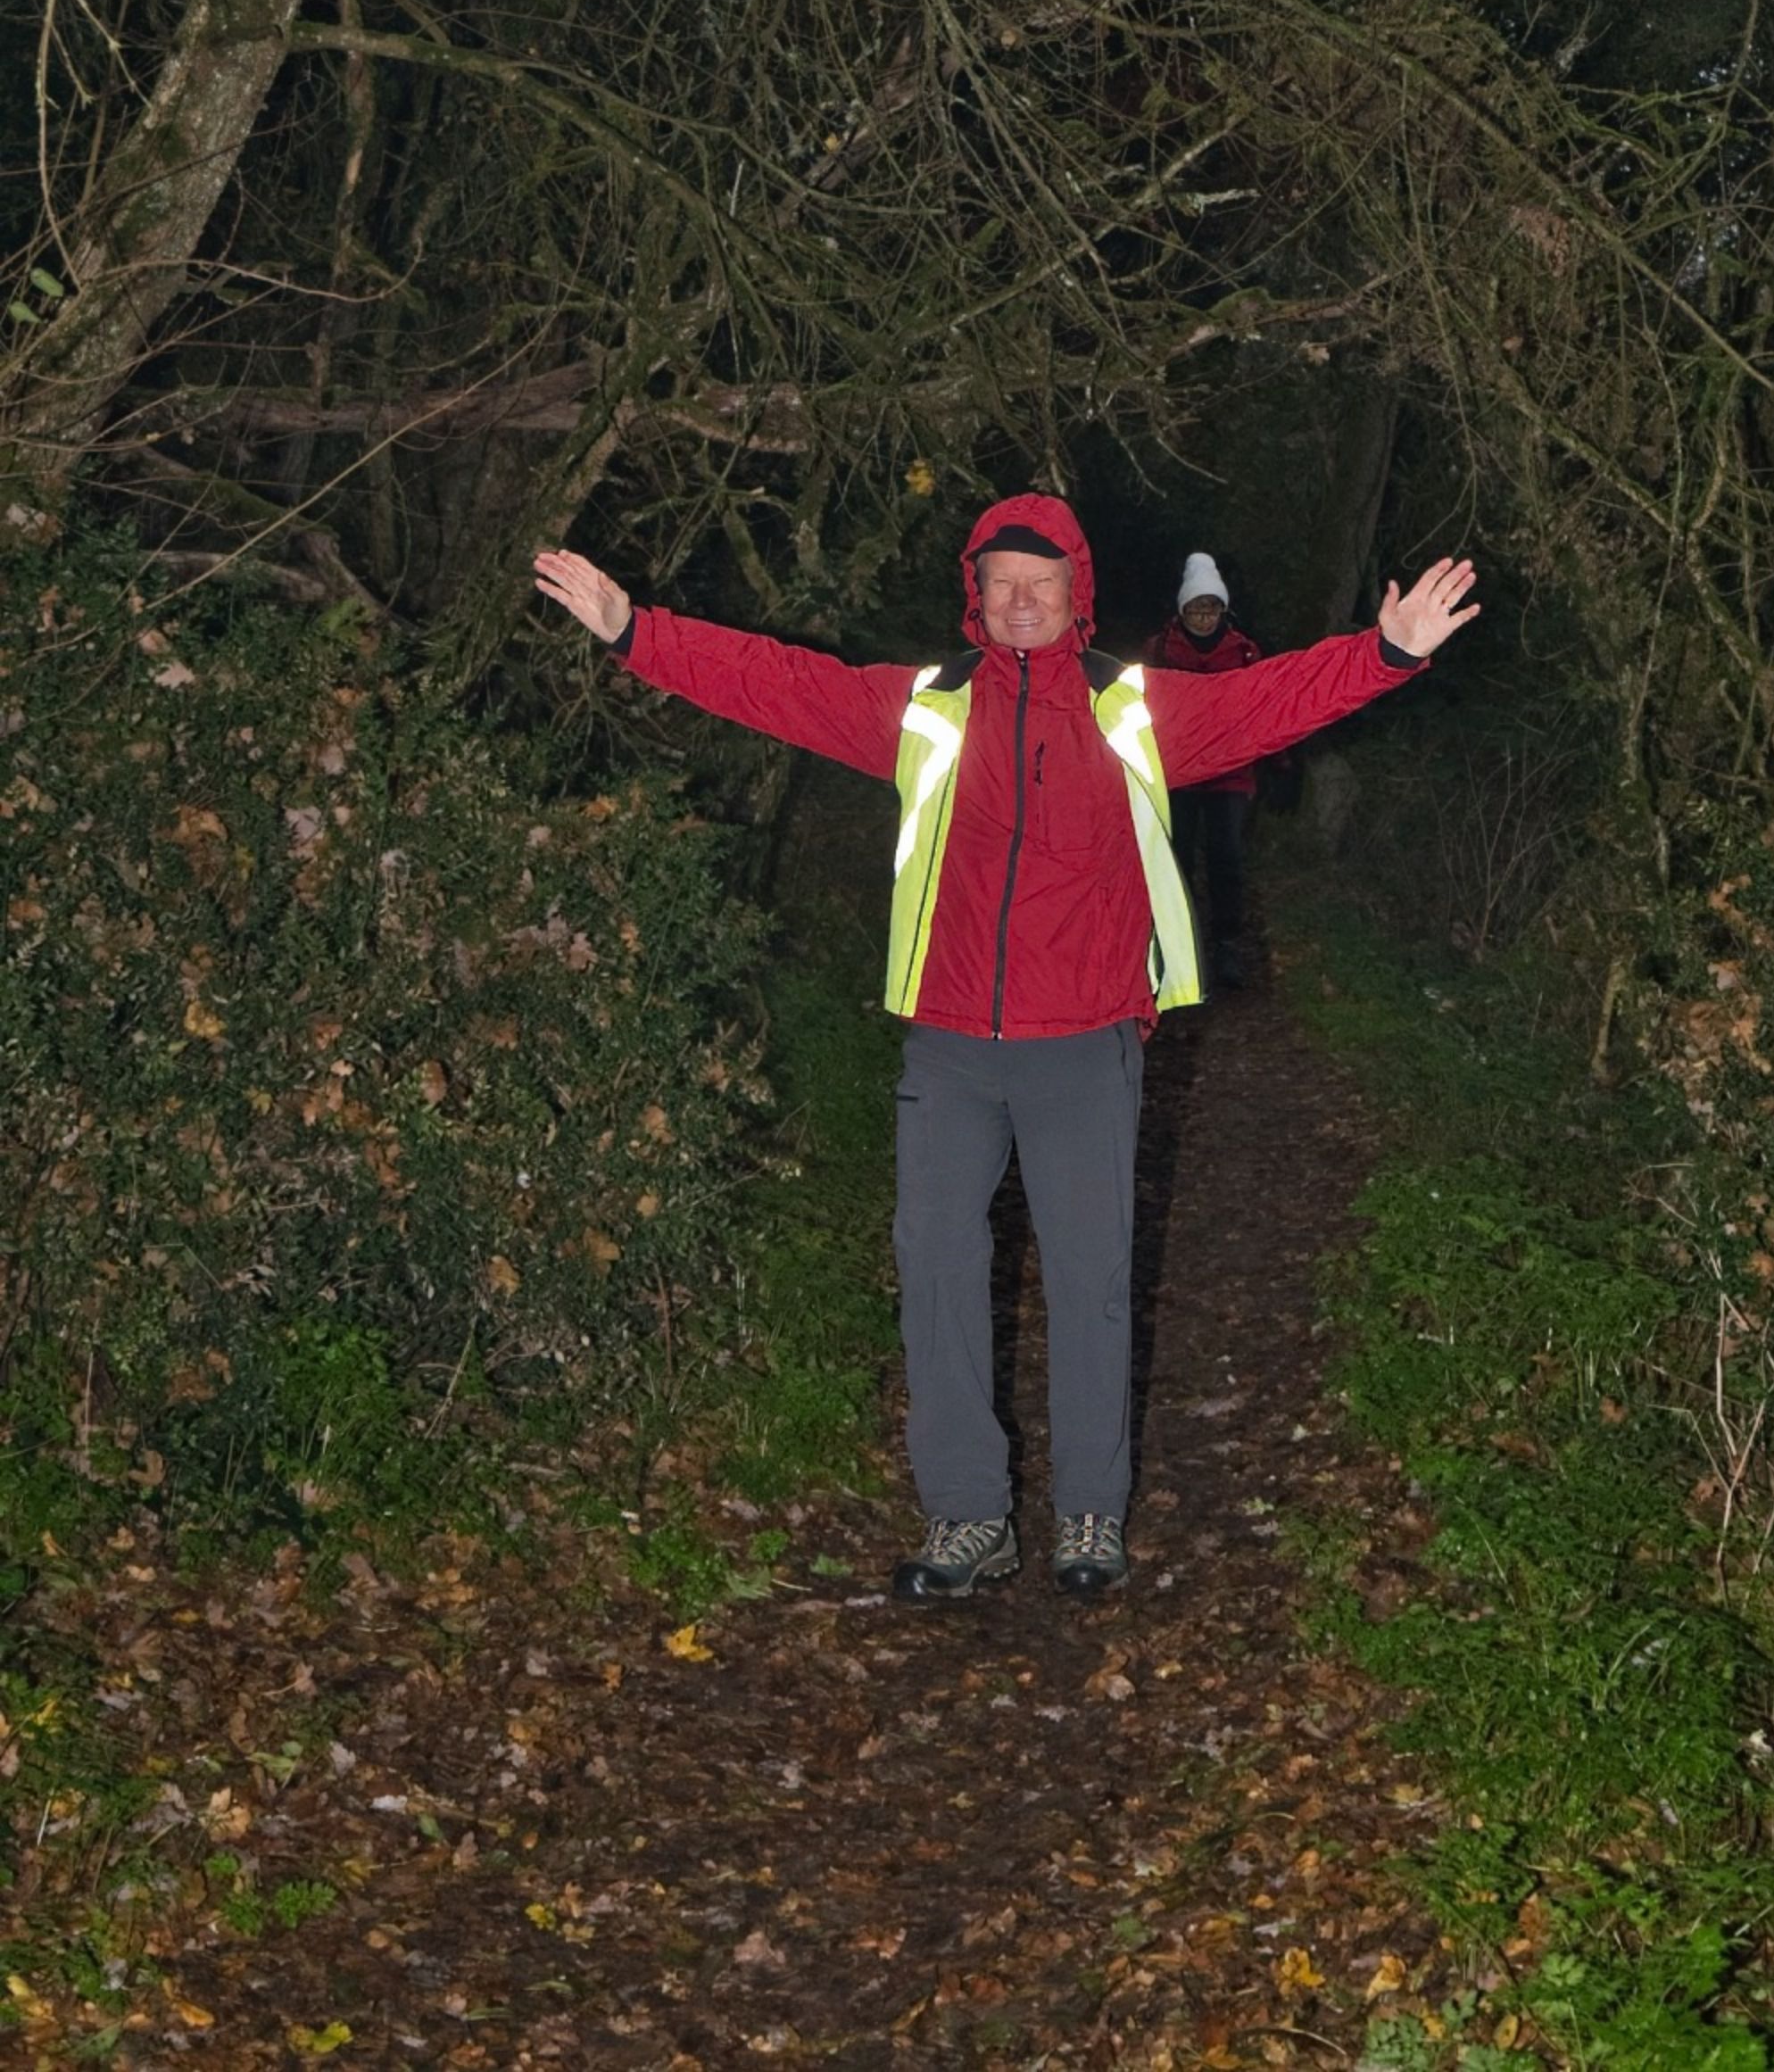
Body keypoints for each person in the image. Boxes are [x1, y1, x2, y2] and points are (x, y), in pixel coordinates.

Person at [534, 495, 1477, 1603]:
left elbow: (1268, 701)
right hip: (950, 1048)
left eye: (1043, 582)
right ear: (974, 597)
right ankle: (967, 1516)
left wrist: (1386, 654)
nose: (1022, 600)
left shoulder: (1133, 708)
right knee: (936, 1272)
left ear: (1079, 594)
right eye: (1001, 583)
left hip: (1083, 1041)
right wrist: (636, 634)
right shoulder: (926, 709)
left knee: (1090, 1280)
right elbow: (781, 683)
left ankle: (1090, 1513)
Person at [1142, 552, 1264, 990]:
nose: (1203, 617)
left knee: (1226, 857)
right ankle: (1180, 944)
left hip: (1229, 772)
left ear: (1222, 610)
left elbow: (1260, 709)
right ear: (1183, 610)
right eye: (1196, 608)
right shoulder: (1159, 651)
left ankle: (1227, 944)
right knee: (1176, 859)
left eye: (1211, 608)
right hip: (1178, 771)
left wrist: (1278, 761)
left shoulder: (1244, 652)